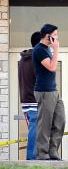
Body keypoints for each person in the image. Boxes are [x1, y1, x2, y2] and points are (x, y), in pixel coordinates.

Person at [33, 24, 65, 160]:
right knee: (45, 123)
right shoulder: (39, 50)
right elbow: (52, 67)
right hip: (44, 91)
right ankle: (42, 153)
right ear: (48, 35)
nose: (57, 37)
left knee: (60, 120)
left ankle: (53, 151)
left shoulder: (47, 49)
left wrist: (53, 50)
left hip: (53, 90)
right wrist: (56, 49)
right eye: (55, 34)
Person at [18, 31, 41, 160]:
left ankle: (37, 157)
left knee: (35, 129)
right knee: (35, 129)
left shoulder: (23, 59)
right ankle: (32, 158)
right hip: (35, 101)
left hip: (26, 100)